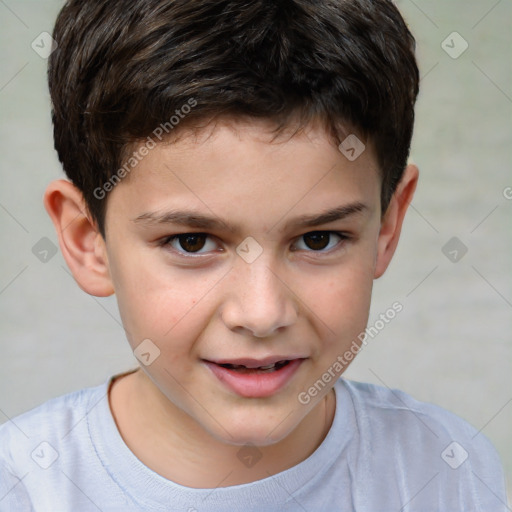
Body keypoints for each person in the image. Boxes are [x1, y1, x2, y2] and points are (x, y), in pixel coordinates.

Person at [0, 0, 508, 510]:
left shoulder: (449, 472)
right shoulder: (21, 486)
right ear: (88, 240)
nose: (262, 314)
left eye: (318, 239)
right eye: (192, 242)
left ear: (387, 226)